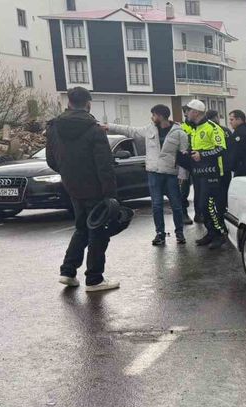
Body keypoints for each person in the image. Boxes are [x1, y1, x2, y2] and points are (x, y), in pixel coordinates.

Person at [46, 87, 119, 292]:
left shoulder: (54, 127)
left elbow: (51, 160)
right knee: (98, 232)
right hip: (95, 188)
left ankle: (68, 272)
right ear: (88, 104)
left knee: (81, 228)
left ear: (69, 103)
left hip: (72, 187)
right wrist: (111, 195)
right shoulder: (95, 130)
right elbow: (104, 166)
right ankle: (94, 279)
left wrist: (69, 174)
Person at [106, 104, 189, 246]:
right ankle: (160, 234)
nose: (152, 118)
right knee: (156, 205)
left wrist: (183, 175)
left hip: (171, 173)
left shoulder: (179, 132)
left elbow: (184, 154)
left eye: (154, 115)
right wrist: (109, 126)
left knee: (176, 205)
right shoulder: (149, 129)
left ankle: (179, 233)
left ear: (161, 116)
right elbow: (130, 130)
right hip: (154, 173)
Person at [183, 99, 229, 250]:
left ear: (196, 112)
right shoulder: (195, 128)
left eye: (188, 110)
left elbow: (221, 148)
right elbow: (198, 148)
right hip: (199, 173)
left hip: (212, 173)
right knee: (201, 207)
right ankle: (211, 233)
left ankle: (220, 234)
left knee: (208, 205)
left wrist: (202, 155)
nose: (186, 113)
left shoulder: (212, 127)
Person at [179, 105, 198, 225]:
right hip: (184, 162)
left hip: (198, 161)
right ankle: (183, 213)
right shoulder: (181, 127)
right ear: (185, 113)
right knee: (184, 189)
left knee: (199, 188)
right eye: (188, 111)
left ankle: (199, 213)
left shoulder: (199, 125)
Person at [228, 110, 246, 177]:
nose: (230, 122)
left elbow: (234, 152)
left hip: (241, 170)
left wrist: (231, 167)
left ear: (239, 119)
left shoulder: (238, 133)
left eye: (232, 120)